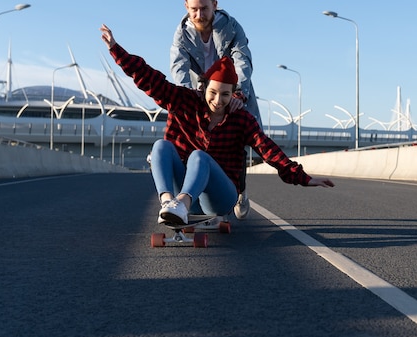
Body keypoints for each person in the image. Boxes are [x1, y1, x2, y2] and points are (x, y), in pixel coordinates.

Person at [101, 24, 334, 226]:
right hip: (187, 194)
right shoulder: (185, 101)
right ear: (203, 89)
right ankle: (167, 204)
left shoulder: (241, 119)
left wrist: (303, 178)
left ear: (234, 94)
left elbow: (267, 149)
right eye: (212, 93)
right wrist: (116, 50)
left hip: (220, 198)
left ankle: (180, 205)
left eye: (225, 95)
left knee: (199, 157)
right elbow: (149, 79)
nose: (217, 100)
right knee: (161, 146)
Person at [170, 0, 260, 220]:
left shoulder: (232, 28)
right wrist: (186, 97)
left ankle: (239, 191)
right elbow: (178, 67)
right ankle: (193, 195)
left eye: (204, 8)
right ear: (187, 9)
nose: (199, 14)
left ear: (215, 5)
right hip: (200, 93)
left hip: (232, 90)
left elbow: (243, 60)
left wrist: (239, 92)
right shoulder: (181, 35)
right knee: (192, 138)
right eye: (194, 10)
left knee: (238, 139)